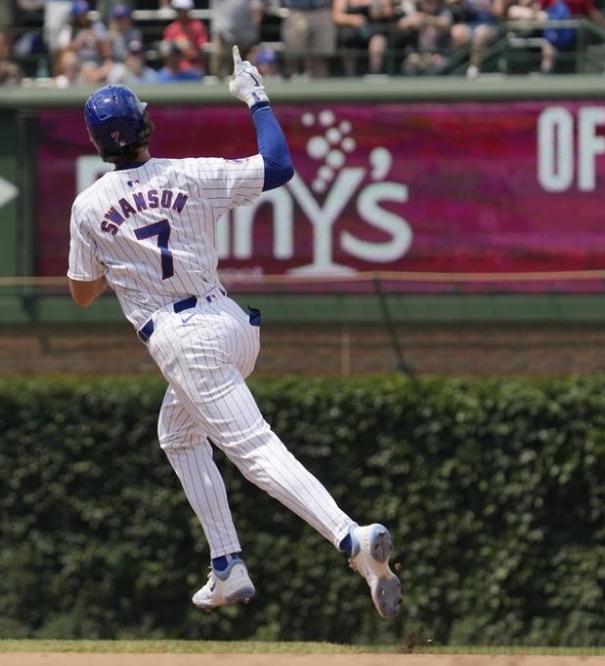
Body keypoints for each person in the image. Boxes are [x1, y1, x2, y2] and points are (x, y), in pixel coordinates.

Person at [66, 49, 403, 618]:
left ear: (100, 144)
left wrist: (120, 263)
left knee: (254, 451)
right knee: (177, 434)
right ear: (146, 128)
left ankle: (351, 537)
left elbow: (80, 292)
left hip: (183, 340)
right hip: (231, 328)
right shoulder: (189, 174)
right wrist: (256, 97)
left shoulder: (88, 206)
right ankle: (227, 567)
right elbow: (278, 166)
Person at [210, 0, 266, 77]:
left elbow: (256, 11)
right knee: (221, 73)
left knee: (251, 72)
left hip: (247, 38)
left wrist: (254, 34)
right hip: (224, 36)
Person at [280, 0, 336, 77]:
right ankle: (289, 83)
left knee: (321, 56)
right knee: (292, 56)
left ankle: (320, 86)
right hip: (295, 10)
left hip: (322, 9)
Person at [162, 0, 210, 74]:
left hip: (194, 69)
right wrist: (179, 47)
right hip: (174, 70)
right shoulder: (170, 28)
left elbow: (200, 54)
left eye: (182, 10)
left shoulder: (198, 26)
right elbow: (167, 53)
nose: (180, 13)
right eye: (178, 10)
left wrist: (181, 49)